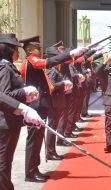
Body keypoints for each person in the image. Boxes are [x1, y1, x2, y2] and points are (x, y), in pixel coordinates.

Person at [19, 36, 86, 182]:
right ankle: (30, 172)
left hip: (41, 104)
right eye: (36, 47)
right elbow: (50, 62)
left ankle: (34, 169)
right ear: (29, 49)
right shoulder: (31, 60)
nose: (39, 49)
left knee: (37, 140)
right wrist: (70, 54)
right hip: (35, 105)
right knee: (34, 140)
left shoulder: (34, 61)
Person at [0, 33, 44, 190]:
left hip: (10, 121)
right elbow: (4, 95)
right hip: (5, 122)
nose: (19, 52)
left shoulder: (8, 66)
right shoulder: (5, 69)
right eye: (16, 49)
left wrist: (26, 96)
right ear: (8, 50)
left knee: (5, 162)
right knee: (3, 164)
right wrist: (24, 93)